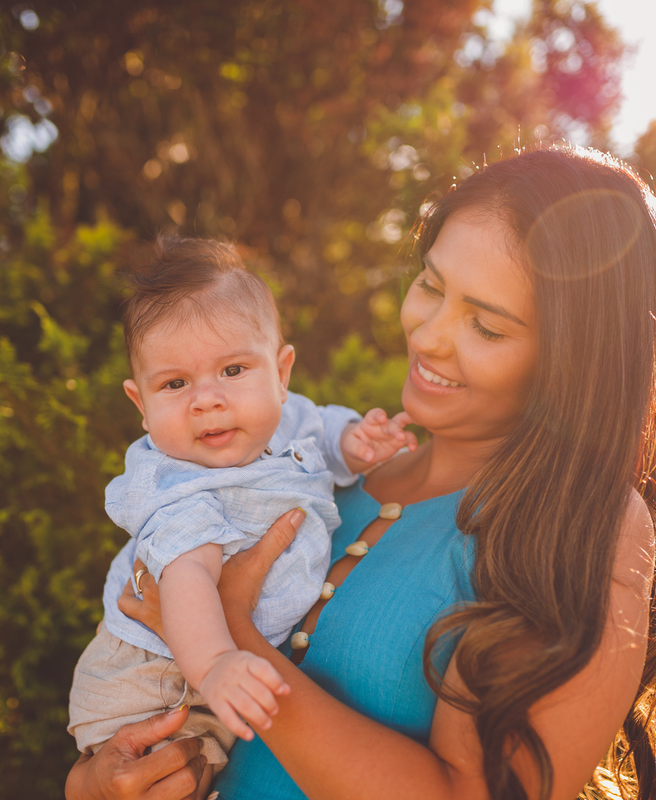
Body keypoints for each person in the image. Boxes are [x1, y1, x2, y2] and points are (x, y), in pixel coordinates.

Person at [65, 144, 656, 800]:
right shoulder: (311, 474)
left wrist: (236, 634)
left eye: (486, 326)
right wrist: (98, 784)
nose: (427, 337)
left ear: (573, 358)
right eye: (430, 285)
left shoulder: (583, 525)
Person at [68, 238, 417, 777]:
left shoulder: (286, 416)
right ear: (141, 403)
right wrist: (215, 664)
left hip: (219, 665)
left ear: (281, 373)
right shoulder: (178, 487)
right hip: (158, 672)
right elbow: (186, 581)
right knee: (168, 778)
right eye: (176, 383)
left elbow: (320, 429)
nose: (206, 399)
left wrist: (355, 442)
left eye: (232, 371)